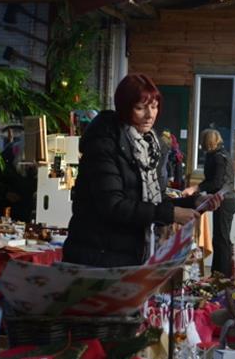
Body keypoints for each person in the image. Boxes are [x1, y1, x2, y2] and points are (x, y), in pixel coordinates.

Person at [63, 74, 214, 267]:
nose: (150, 115)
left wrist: (195, 201)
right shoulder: (104, 144)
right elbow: (114, 206)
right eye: (140, 108)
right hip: (96, 258)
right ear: (125, 109)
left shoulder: (151, 147)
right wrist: (171, 214)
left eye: (154, 106)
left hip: (130, 256)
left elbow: (152, 201)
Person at [181, 129, 235, 274]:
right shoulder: (223, 154)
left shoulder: (218, 157)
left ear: (207, 142)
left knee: (221, 240)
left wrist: (195, 188)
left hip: (224, 201)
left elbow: (216, 183)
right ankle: (218, 273)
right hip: (227, 200)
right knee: (220, 238)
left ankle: (221, 275)